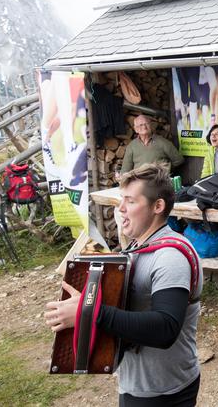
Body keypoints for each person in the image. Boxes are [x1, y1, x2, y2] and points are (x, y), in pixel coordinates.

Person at [45, 163, 203, 406]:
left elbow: (166, 329)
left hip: (164, 393)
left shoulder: (170, 256)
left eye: (130, 201)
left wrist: (87, 312)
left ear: (157, 206)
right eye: (122, 200)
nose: (120, 209)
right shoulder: (136, 247)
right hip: (138, 384)